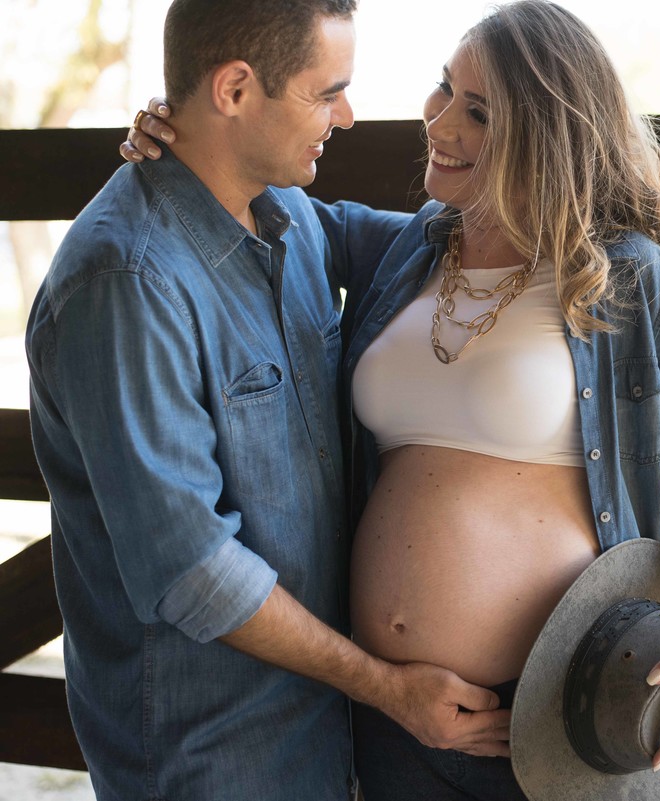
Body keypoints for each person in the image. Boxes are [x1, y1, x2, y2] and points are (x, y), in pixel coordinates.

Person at [125, 2, 660, 798]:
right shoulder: (404, 251)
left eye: (479, 112)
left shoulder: (632, 279)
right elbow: (247, 186)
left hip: (550, 716)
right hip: (389, 716)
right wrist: (186, 127)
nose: (441, 121)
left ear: (547, 134)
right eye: (444, 87)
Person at [29, 2, 507, 799]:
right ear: (235, 90)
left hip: (324, 734)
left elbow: (465, 245)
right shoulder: (127, 283)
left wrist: (601, 198)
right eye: (327, 93)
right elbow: (192, 570)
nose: (346, 117)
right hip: (210, 754)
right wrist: (386, 688)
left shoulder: (289, 215)